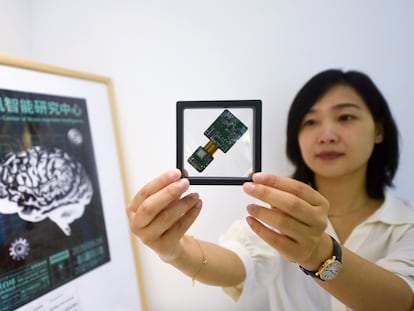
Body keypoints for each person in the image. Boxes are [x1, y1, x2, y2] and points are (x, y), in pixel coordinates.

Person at [127, 69, 414, 310]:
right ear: (296, 137)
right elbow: (236, 261)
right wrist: (174, 250)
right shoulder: (275, 218)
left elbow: (402, 300)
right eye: (310, 122)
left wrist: (319, 253)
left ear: (379, 130)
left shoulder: (407, 224)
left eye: (345, 117)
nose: (327, 135)